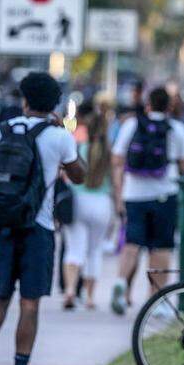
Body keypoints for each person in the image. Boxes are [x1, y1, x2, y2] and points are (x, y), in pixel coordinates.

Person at [0, 72, 84, 365]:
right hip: (38, 228)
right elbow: (80, 175)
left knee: (0, 294)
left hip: (1, 225)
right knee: (29, 304)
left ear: (24, 100)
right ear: (54, 104)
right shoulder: (58, 137)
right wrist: (63, 131)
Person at [111, 86, 184, 314]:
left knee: (132, 242)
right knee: (161, 247)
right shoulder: (175, 128)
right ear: (169, 106)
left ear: (147, 104)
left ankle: (121, 282)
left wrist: (119, 191)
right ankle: (156, 299)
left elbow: (117, 158)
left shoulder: (132, 125)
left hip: (134, 194)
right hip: (164, 193)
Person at [62, 104, 114, 310]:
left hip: (78, 202)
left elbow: (67, 176)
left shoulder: (79, 148)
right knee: (94, 251)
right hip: (102, 204)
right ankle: (90, 297)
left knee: (74, 249)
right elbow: (117, 182)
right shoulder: (108, 153)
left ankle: (70, 291)